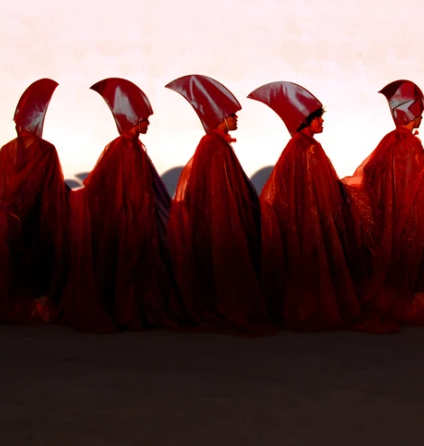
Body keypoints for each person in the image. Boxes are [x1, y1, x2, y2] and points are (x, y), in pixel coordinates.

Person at [62, 78, 185, 332]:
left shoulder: (134, 148)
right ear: (133, 119)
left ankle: (134, 309)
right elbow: (102, 182)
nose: (148, 123)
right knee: (126, 264)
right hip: (126, 220)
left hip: (138, 218)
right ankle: (126, 310)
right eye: (145, 118)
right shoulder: (124, 148)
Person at [248, 81, 362, 331]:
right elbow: (320, 189)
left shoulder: (294, 147)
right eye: (317, 117)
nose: (322, 122)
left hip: (297, 221)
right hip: (313, 220)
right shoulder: (308, 148)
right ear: (304, 119)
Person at [165, 74, 272, 335]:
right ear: (219, 116)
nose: (237, 118)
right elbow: (216, 191)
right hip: (218, 223)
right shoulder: (213, 146)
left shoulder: (216, 145)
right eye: (232, 114)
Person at [344, 80, 424, 325]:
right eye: (419, 113)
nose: (422, 118)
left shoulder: (388, 142)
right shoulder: (410, 143)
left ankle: (394, 305)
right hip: (411, 213)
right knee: (411, 258)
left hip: (390, 214)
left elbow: (370, 172)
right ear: (410, 113)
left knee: (392, 260)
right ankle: (404, 308)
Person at [0, 79, 70, 324]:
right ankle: (40, 310)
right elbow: (54, 187)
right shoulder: (46, 150)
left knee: (15, 264)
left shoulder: (6, 150)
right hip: (40, 218)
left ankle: (19, 310)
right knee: (40, 263)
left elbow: (1, 188)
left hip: (11, 217)